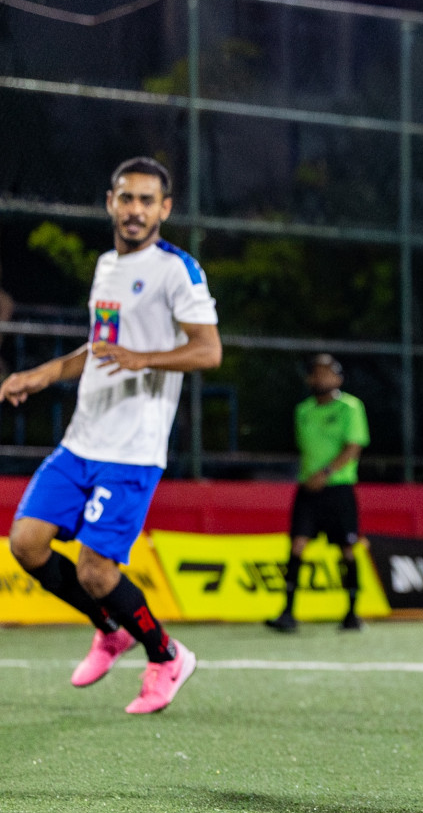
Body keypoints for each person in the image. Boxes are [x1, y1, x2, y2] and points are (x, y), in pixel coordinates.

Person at [2, 156, 220, 714]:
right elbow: (99, 350)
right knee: (26, 544)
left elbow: (208, 350)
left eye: (148, 201)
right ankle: (110, 629)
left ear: (165, 209)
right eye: (127, 198)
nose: (136, 210)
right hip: (81, 440)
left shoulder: (179, 270)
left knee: (95, 571)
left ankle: (167, 655)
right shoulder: (106, 266)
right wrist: (43, 373)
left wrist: (143, 358)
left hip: (132, 450)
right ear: (110, 202)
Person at [265, 353, 370, 633]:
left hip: (338, 488)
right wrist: (311, 479)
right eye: (316, 373)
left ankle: (351, 613)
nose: (321, 378)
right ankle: (287, 612)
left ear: (338, 378)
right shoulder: (303, 411)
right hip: (308, 490)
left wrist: (325, 474)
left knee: (347, 549)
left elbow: (353, 447)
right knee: (297, 545)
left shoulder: (351, 407)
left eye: (327, 373)